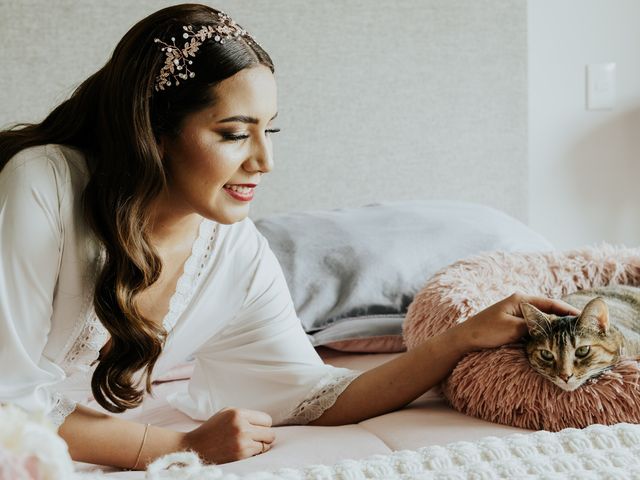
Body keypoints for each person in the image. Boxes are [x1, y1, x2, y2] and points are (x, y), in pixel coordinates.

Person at [0, 3, 579, 471]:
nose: (265, 161)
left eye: (269, 131)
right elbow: (6, 404)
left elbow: (315, 395)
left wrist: (458, 339)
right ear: (153, 132)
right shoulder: (42, 185)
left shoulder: (233, 251)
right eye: (233, 133)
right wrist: (173, 448)